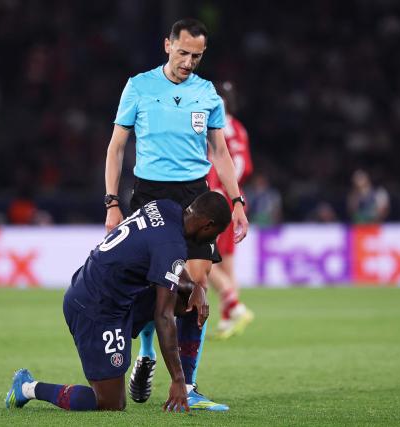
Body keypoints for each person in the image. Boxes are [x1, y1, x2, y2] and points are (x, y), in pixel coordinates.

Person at [104, 18, 249, 411]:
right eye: (183, 52)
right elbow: (117, 146)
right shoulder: (139, 86)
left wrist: (236, 203)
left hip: (195, 196)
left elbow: (220, 153)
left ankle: (190, 384)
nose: (188, 62)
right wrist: (112, 202)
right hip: (150, 193)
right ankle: (147, 352)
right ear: (167, 45)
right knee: (158, 288)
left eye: (197, 56)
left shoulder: (207, 94)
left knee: (197, 288)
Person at [5, 192, 231, 412]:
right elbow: (163, 315)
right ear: (207, 226)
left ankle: (181, 382)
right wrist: (176, 380)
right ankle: (27, 387)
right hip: (95, 308)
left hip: (120, 297)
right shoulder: (171, 245)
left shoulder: (165, 207)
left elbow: (165, 262)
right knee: (110, 402)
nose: (213, 240)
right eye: (216, 234)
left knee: (190, 302)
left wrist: (194, 288)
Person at [206, 81, 254, 339]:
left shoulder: (216, 127)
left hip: (218, 197)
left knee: (199, 254)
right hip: (235, 198)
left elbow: (220, 162)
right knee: (227, 261)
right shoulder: (239, 128)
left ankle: (234, 306)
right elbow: (246, 167)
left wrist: (217, 189)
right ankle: (228, 319)